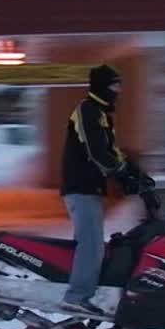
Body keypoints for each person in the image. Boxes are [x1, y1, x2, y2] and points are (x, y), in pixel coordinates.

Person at [59, 64, 151, 316]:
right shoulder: (87, 111)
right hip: (80, 187)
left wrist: (135, 173)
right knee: (91, 244)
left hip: (90, 188)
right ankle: (76, 297)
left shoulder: (101, 114)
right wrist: (120, 174)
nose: (118, 90)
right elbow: (97, 152)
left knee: (95, 243)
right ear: (102, 86)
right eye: (114, 85)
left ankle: (91, 290)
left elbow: (112, 151)